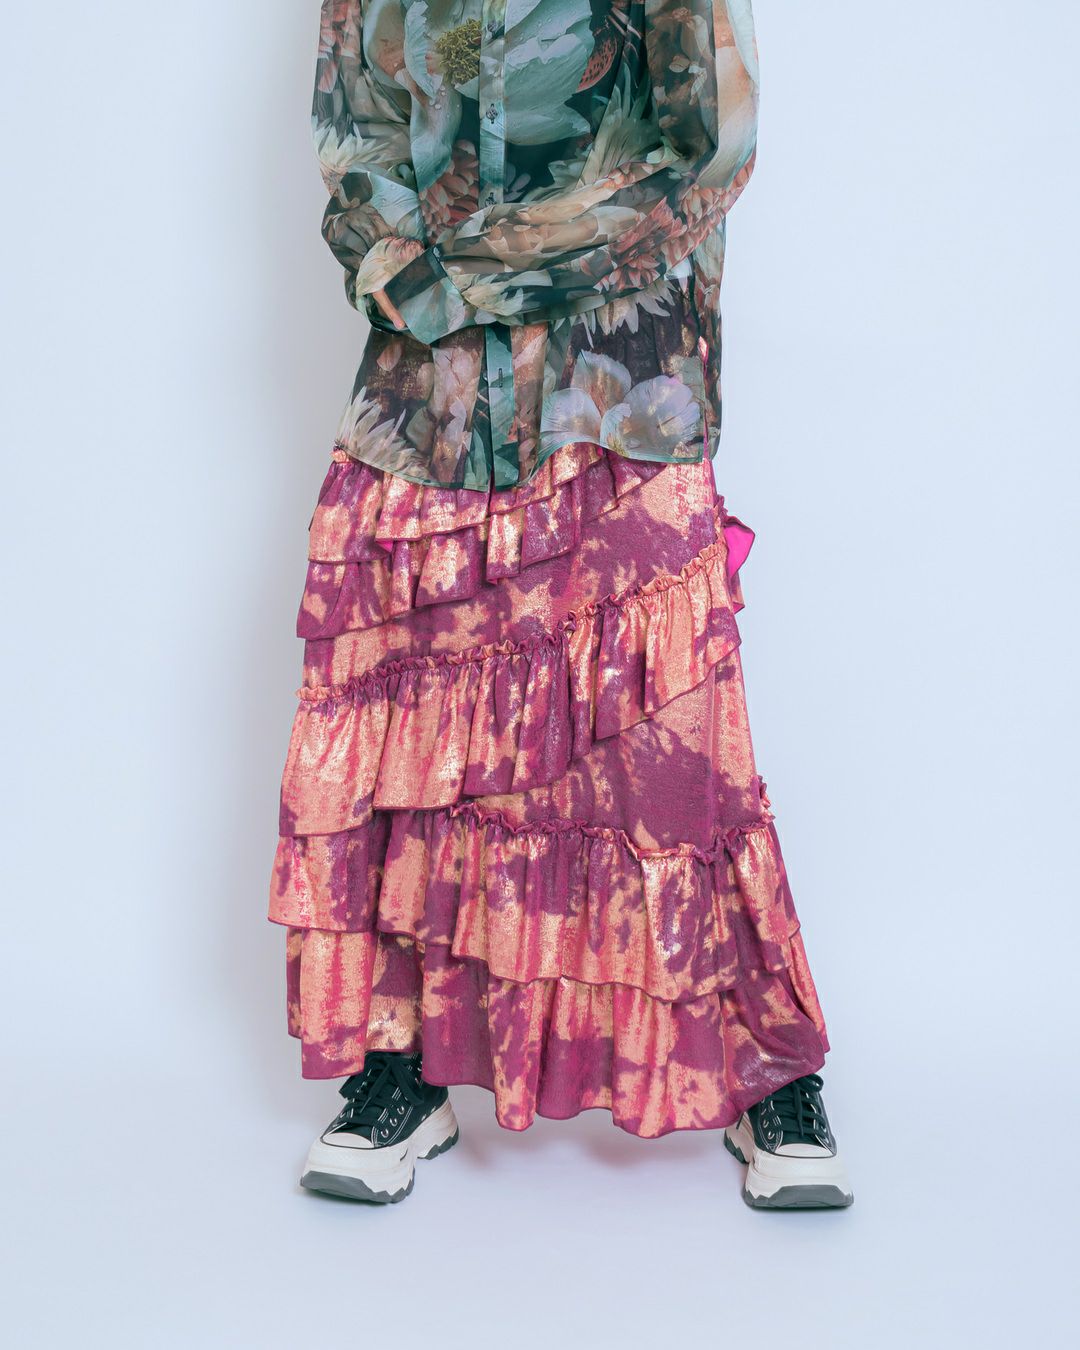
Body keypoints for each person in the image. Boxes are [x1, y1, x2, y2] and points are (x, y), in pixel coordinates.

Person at [269, 0, 853, 1210]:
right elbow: (353, 132)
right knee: (415, 742)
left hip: (614, 387)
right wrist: (401, 270)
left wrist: (479, 269)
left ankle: (764, 1063)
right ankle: (401, 1066)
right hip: (428, 393)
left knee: (667, 749)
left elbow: (708, 146)